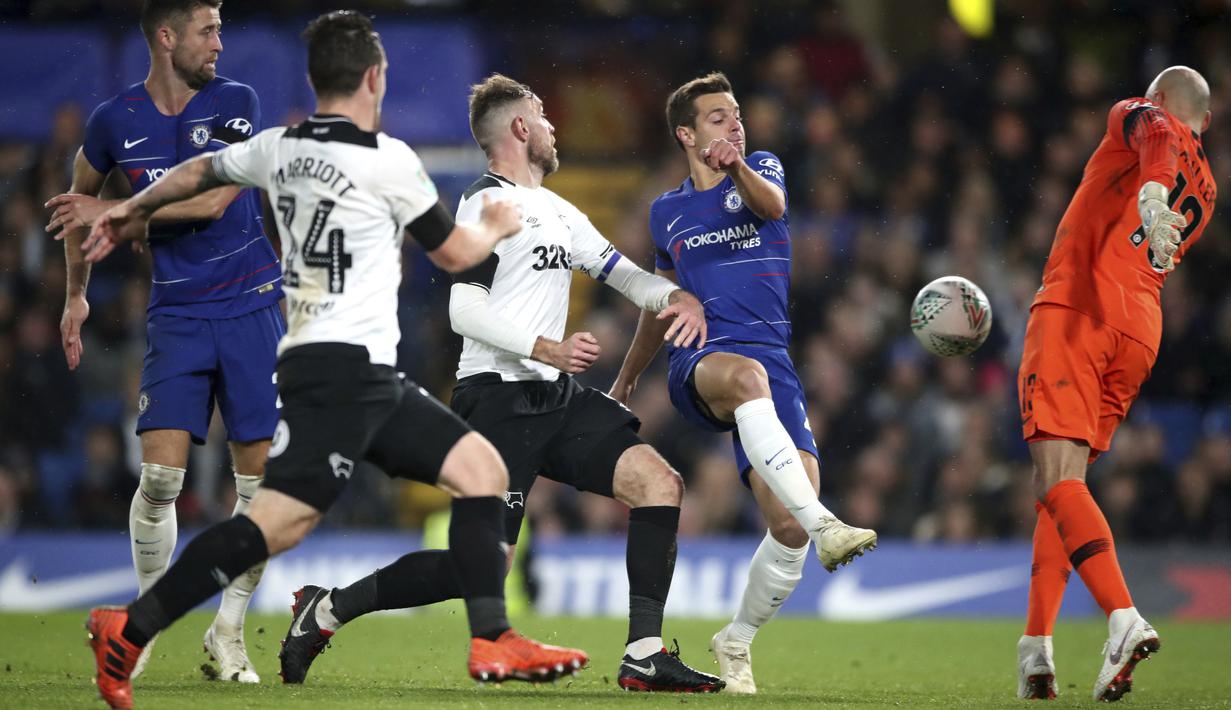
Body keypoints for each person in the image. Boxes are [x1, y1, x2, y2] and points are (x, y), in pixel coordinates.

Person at [80, 12, 587, 709]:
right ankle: (491, 635)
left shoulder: (279, 146)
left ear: (317, 79)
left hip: (317, 366)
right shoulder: (389, 160)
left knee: (280, 523)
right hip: (354, 373)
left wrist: (127, 208)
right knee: (474, 475)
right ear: (374, 78)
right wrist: (494, 224)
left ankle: (127, 629)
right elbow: (454, 256)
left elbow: (198, 170)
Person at [275, 74, 723, 693]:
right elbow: (463, 309)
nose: (553, 126)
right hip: (498, 397)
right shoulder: (487, 204)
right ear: (520, 128)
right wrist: (550, 347)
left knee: (658, 482)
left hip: (554, 395)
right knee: (481, 567)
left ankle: (644, 652)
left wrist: (677, 296)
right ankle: (326, 609)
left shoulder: (563, 212)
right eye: (543, 114)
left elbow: (628, 278)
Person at [608, 71, 878, 694]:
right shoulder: (666, 210)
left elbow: (773, 208)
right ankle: (828, 524)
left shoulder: (760, 169)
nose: (734, 123)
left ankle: (737, 638)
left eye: (736, 114)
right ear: (686, 133)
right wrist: (625, 382)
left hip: (771, 365)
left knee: (786, 528)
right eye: (717, 117)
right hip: (701, 360)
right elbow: (662, 303)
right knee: (746, 380)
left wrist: (736, 168)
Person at [46, 0, 280, 682]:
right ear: (167, 36)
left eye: (221, 29)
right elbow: (73, 209)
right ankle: (143, 625)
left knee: (258, 489)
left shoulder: (237, 100)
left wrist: (117, 211)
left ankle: (228, 630)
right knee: (159, 480)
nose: (219, 43)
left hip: (252, 306)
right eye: (208, 30)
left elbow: (213, 199)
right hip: (177, 314)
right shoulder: (113, 120)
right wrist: (76, 294)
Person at [1015, 65, 1215, 702]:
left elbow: (1155, 131)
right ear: (1206, 121)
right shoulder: (1207, 185)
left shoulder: (1142, 116)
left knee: (1055, 479)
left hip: (1079, 307)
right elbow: (1171, 143)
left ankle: (1123, 619)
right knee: (1064, 486)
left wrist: (1152, 192)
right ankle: (1037, 650)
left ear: (1157, 99)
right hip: (1139, 331)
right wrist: (1162, 193)